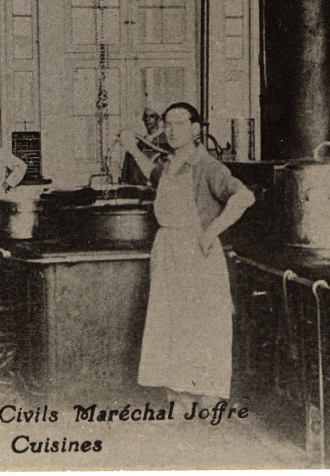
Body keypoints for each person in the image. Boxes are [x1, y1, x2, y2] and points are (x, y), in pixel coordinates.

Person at [118, 102, 255, 410]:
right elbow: (153, 175)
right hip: (168, 252)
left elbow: (244, 196)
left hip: (197, 255)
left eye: (178, 124)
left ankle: (207, 398)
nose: (170, 130)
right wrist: (132, 147)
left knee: (201, 326)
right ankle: (179, 396)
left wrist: (211, 231)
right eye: (167, 123)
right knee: (171, 324)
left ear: (195, 129)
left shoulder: (206, 166)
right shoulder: (169, 164)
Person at [109, 106, 169, 185]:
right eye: (146, 116)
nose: (148, 119)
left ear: (158, 119)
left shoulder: (166, 140)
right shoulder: (139, 143)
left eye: (152, 116)